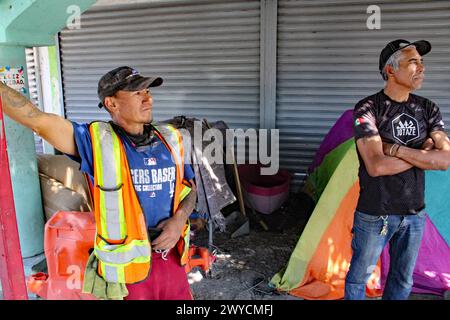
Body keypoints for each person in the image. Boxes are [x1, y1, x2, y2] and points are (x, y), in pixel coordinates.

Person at [0, 66, 197, 300]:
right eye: (137, 93)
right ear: (111, 103)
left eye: (147, 91)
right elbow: (37, 120)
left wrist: (180, 219)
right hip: (128, 274)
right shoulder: (96, 142)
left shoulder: (171, 138)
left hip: (173, 260)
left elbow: (190, 190)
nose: (148, 98)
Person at [345, 39, 450, 300]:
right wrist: (424, 154)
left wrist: (395, 149)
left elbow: (445, 159)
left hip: (415, 213)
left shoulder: (428, 109)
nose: (422, 68)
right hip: (375, 214)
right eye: (413, 62)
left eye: (422, 63)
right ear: (391, 70)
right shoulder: (369, 109)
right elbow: (376, 166)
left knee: (402, 281)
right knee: (359, 279)